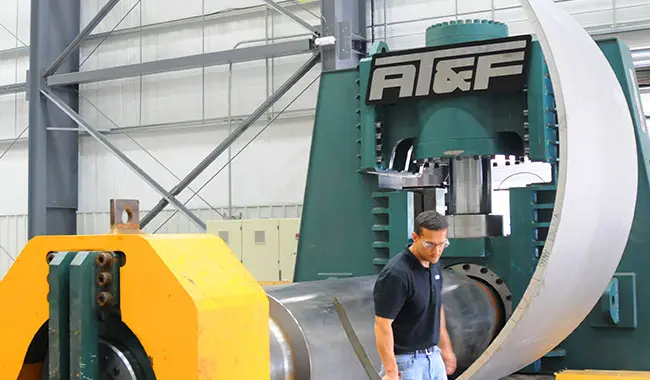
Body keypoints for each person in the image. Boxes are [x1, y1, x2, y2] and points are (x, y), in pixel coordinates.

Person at [373, 210, 456, 380]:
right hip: (407, 364)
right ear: (415, 237)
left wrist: (445, 348)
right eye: (430, 244)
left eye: (442, 244)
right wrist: (390, 371)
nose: (437, 251)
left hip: (434, 357)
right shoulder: (397, 274)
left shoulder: (433, 264)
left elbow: (435, 306)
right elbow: (382, 325)